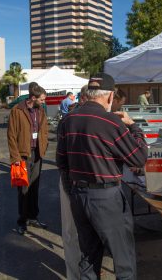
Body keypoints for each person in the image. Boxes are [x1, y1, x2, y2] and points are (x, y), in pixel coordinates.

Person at [56, 72, 148, 279]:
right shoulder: (111, 122)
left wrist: (73, 191)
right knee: (123, 259)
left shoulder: (68, 119)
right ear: (109, 96)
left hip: (79, 195)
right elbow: (139, 157)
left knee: (88, 256)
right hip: (106, 197)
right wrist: (133, 126)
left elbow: (62, 162)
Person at [7, 84, 49, 235]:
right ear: (33, 98)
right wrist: (15, 157)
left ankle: (33, 217)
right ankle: (22, 220)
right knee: (24, 189)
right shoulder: (17, 111)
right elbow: (11, 136)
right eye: (42, 99)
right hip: (23, 155)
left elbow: (44, 129)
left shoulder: (41, 110)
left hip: (37, 154)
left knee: (35, 187)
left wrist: (44, 146)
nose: (44, 102)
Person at [58, 84, 88, 280]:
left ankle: (79, 273)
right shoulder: (69, 120)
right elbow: (61, 158)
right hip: (75, 182)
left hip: (77, 182)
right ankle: (78, 274)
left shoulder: (69, 120)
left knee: (75, 232)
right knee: (73, 231)